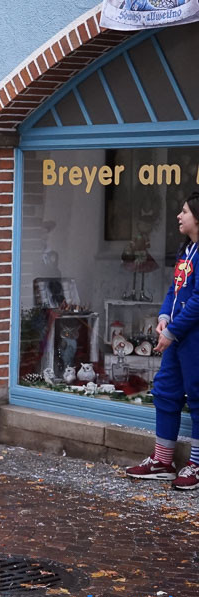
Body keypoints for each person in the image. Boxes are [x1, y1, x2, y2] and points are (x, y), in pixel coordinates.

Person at [126, 191, 199, 490]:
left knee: (197, 397)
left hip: (193, 339)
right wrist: (163, 318)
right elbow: (175, 290)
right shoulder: (187, 251)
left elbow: (197, 301)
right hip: (176, 336)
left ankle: (195, 464)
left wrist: (172, 331)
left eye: (184, 212)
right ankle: (163, 461)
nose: (179, 216)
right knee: (166, 392)